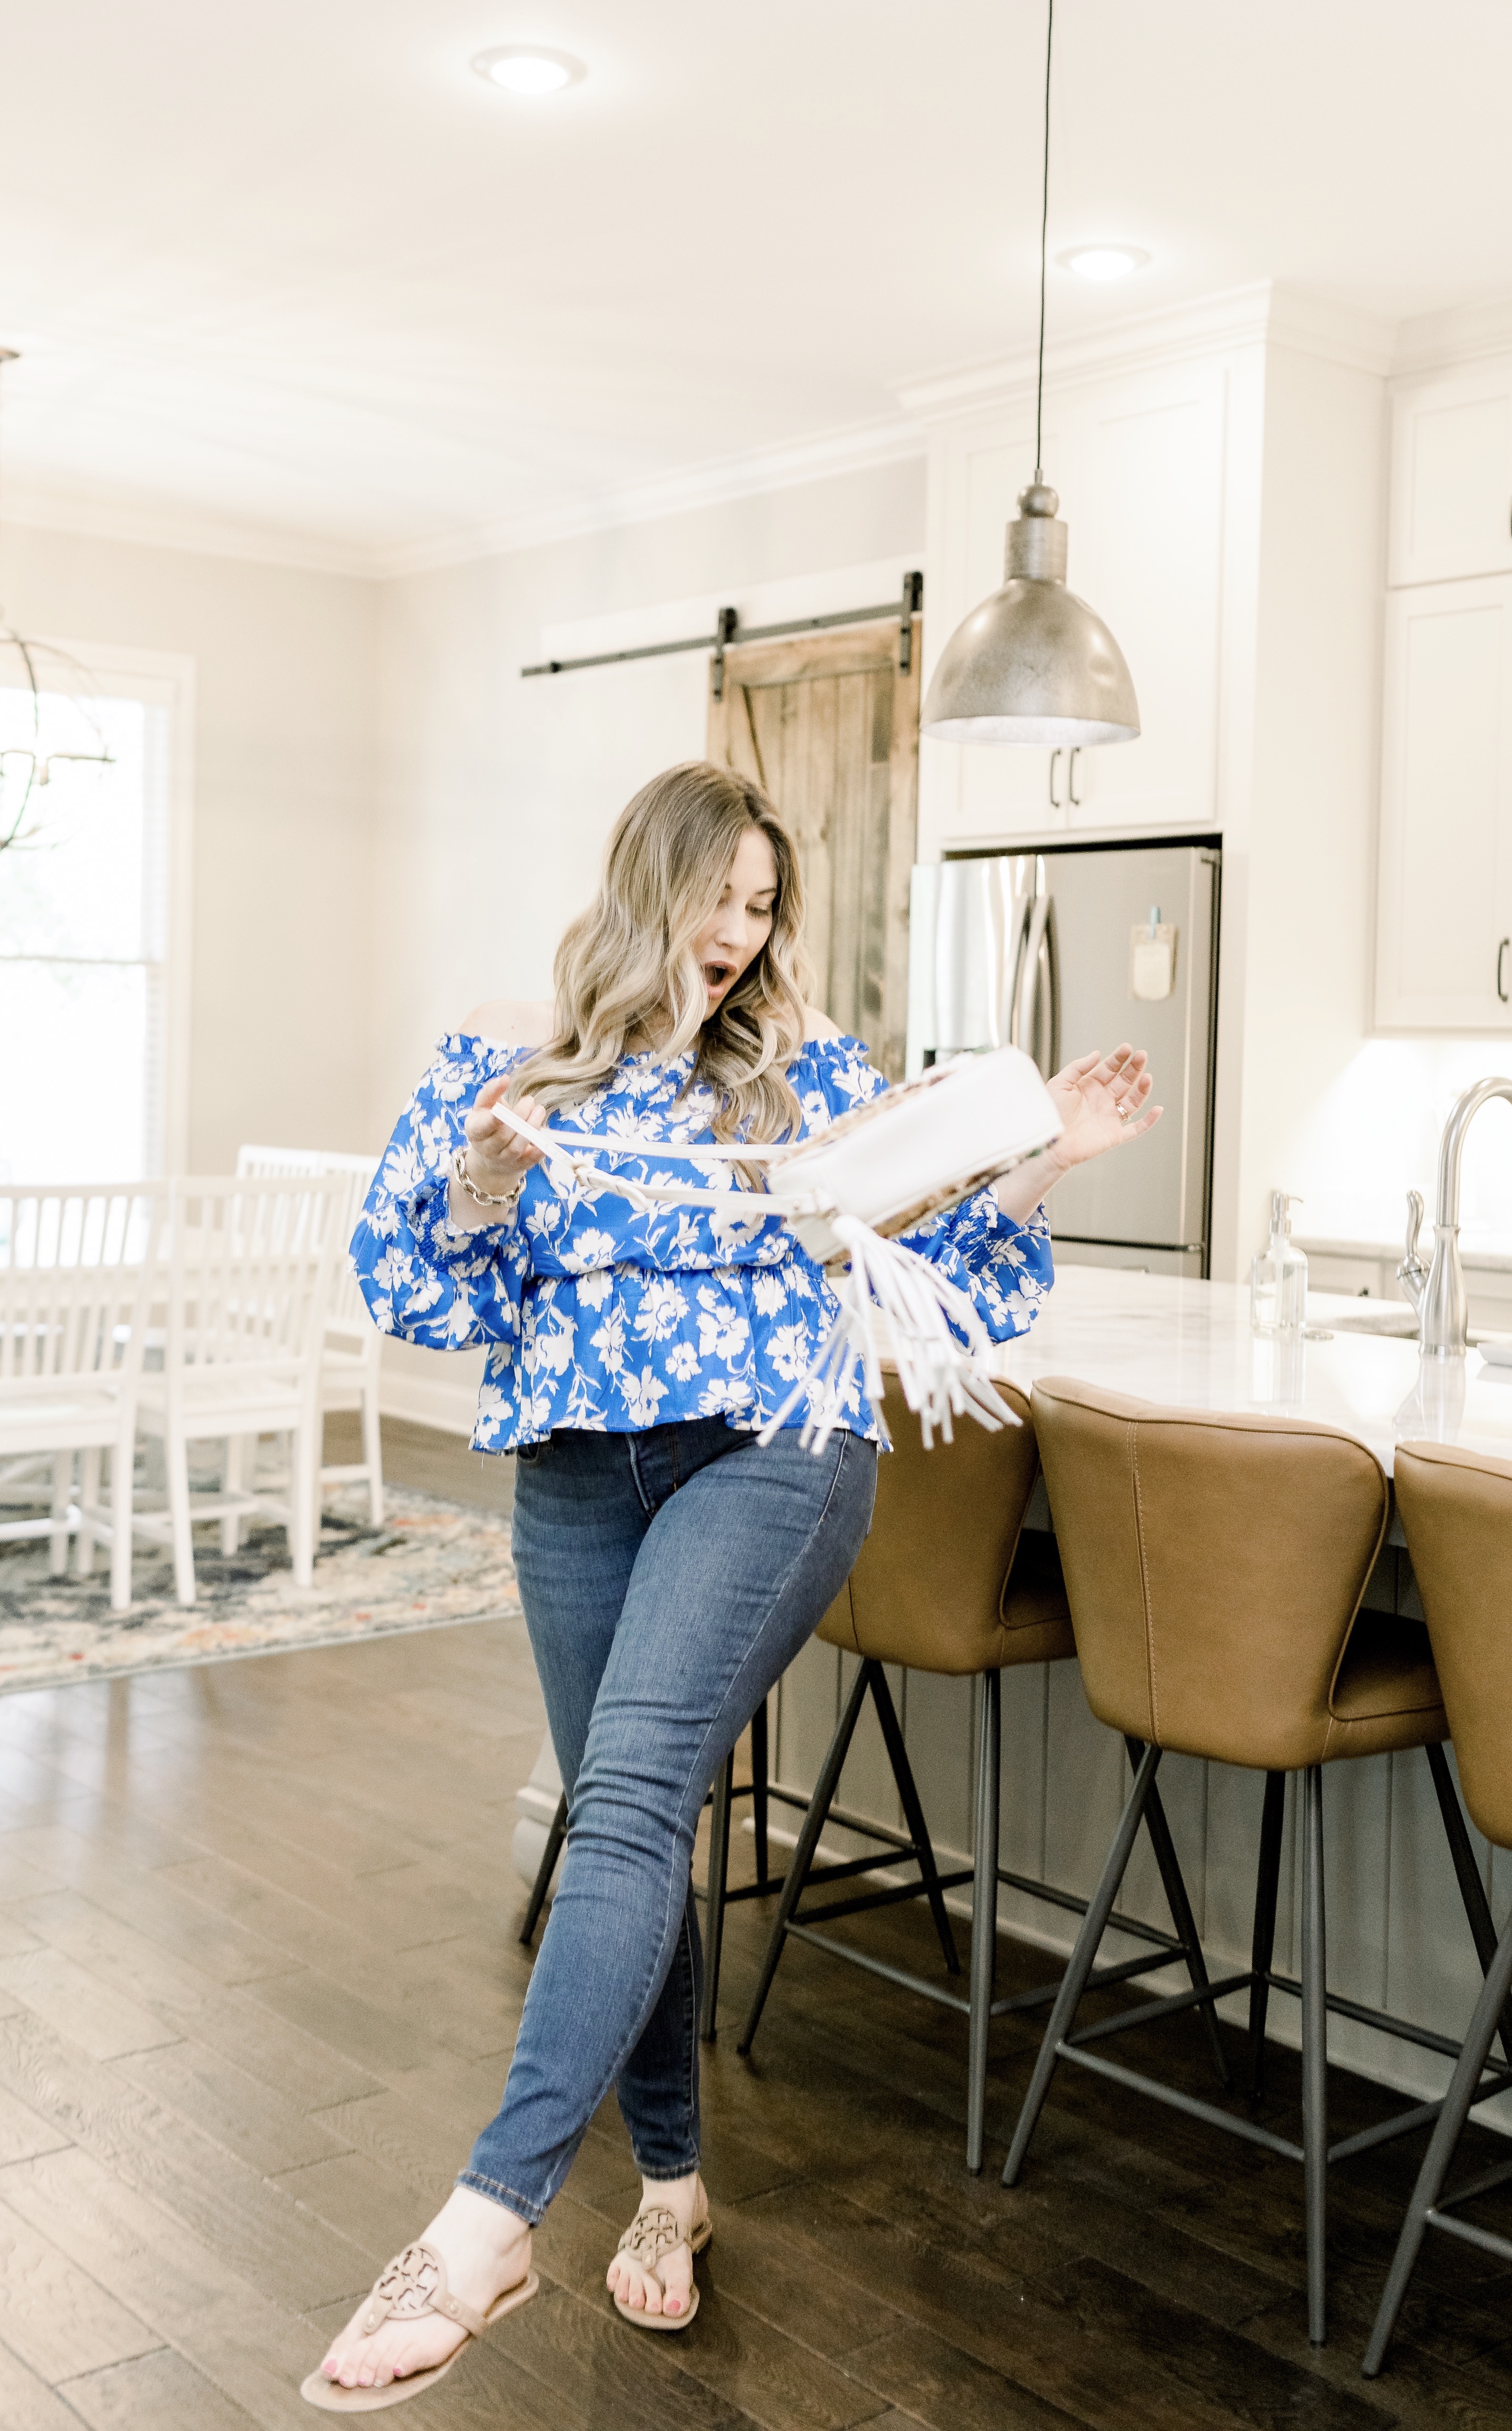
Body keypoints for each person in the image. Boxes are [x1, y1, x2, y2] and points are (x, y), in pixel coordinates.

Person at [307, 761, 1160, 2407]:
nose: (735, 936)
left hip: (777, 1448)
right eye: (716, 899)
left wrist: (1040, 1158)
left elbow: (944, 1288)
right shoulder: (508, 1052)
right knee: (629, 1807)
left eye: (763, 908)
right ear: (648, 885)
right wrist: (489, 1177)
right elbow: (409, 1282)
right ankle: (675, 2192)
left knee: (626, 1803)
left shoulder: (809, 1073)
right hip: (575, 1466)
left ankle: (484, 2225)